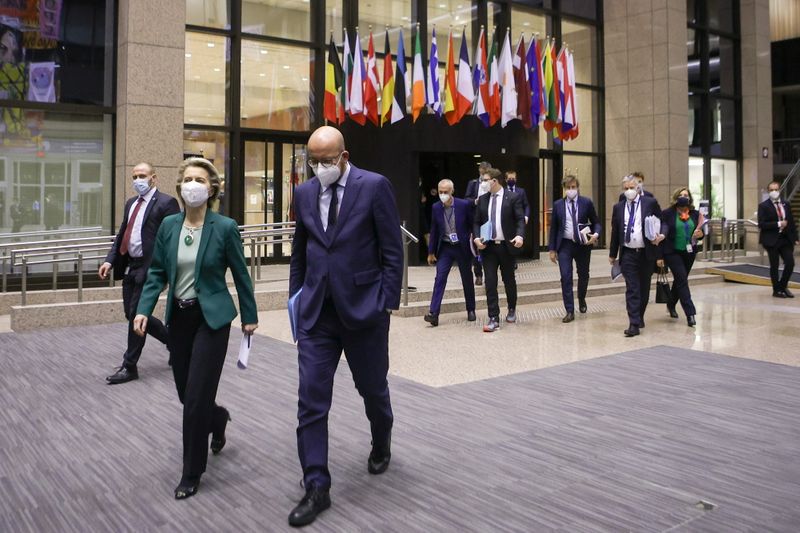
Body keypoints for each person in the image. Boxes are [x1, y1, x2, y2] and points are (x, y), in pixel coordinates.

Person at [287, 126, 403, 527]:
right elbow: (300, 251)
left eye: (327, 160)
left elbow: (392, 250)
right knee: (311, 401)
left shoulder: (374, 187)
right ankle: (316, 485)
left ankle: (381, 437)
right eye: (313, 161)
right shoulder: (303, 193)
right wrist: (295, 300)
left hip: (365, 312)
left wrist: (386, 303)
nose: (320, 167)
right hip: (318, 314)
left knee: (372, 389)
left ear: (344, 156)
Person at [132, 157, 258, 500]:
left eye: (199, 180)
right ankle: (217, 420)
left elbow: (240, 273)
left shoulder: (225, 227)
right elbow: (157, 271)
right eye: (187, 179)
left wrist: (249, 314)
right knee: (187, 394)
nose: (192, 185)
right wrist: (144, 309)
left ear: (212, 188)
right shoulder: (170, 226)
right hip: (180, 319)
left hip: (213, 320)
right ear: (179, 187)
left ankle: (191, 472)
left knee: (196, 398)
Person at [100, 163, 180, 384]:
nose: (138, 180)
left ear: (153, 178)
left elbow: (173, 240)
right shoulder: (131, 203)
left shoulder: (167, 203)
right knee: (131, 314)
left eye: (142, 176)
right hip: (131, 267)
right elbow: (122, 234)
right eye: (134, 176)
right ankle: (175, 343)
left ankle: (130, 366)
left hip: (151, 268)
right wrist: (110, 260)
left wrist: (167, 273)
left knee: (137, 315)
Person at [609, 175, 663, 337]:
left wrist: (661, 238)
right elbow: (615, 232)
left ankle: (639, 316)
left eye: (632, 188)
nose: (629, 191)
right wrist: (613, 254)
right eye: (626, 188)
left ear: (638, 188)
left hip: (646, 252)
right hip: (628, 253)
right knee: (632, 288)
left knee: (644, 287)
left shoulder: (650, 203)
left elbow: (662, 222)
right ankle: (633, 323)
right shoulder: (618, 207)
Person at [473, 168, 525, 333]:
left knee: (509, 279)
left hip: (506, 245)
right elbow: (476, 222)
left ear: (494, 181)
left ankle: (511, 308)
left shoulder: (513, 197)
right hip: (488, 247)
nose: (483, 183)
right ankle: (493, 317)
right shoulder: (482, 200)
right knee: (490, 281)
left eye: (485, 180)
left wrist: (520, 236)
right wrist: (476, 238)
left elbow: (520, 220)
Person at [424, 179, 477, 327]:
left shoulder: (463, 205)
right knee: (439, 278)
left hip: (462, 247)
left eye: (445, 192)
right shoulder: (436, 207)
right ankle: (433, 313)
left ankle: (471, 309)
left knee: (467, 278)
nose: (442, 195)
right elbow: (434, 230)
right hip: (446, 248)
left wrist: (476, 243)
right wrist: (431, 252)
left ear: (452, 191)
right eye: (440, 192)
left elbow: (472, 224)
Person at [548, 175, 601, 323]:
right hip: (565, 245)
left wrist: (595, 235)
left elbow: (596, 222)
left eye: (573, 187)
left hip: (583, 245)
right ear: (564, 189)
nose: (571, 190)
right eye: (568, 188)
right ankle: (569, 310)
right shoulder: (558, 204)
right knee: (566, 276)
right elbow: (554, 228)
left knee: (583, 274)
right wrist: (552, 249)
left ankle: (581, 297)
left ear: (577, 188)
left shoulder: (586, 203)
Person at [659, 187, 704, 326]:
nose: (684, 197)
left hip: (689, 252)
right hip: (672, 252)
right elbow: (662, 233)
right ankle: (690, 313)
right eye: (681, 195)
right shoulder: (667, 213)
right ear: (676, 197)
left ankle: (671, 303)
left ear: (689, 198)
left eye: (686, 195)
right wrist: (659, 256)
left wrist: (701, 234)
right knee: (682, 280)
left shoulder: (696, 214)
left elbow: (703, 231)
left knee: (681, 280)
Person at [757, 180, 799, 298]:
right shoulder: (763, 206)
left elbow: (791, 222)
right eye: (771, 190)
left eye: (776, 189)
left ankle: (782, 286)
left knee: (790, 263)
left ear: (779, 190)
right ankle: (776, 290)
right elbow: (762, 224)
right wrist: (778, 224)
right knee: (774, 266)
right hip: (771, 240)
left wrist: (795, 237)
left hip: (785, 239)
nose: (774, 192)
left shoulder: (786, 204)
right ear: (768, 191)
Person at [464, 161, 492, 285]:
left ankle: (490, 273)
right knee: (476, 246)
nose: (484, 175)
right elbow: (466, 199)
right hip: (476, 218)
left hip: (490, 218)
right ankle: (478, 274)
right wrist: (474, 201)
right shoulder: (473, 183)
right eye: (482, 172)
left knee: (489, 246)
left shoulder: (493, 183)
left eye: (486, 172)